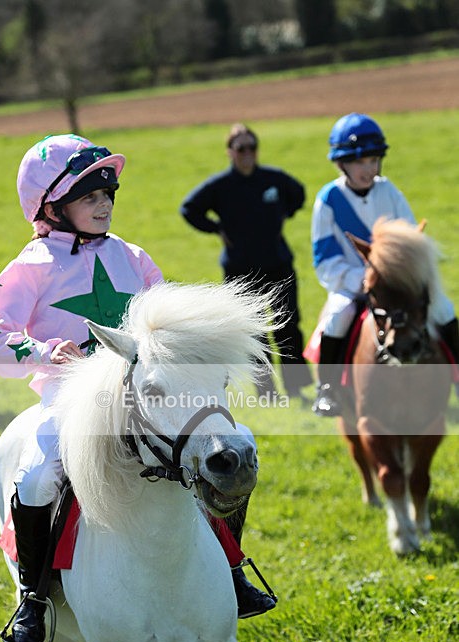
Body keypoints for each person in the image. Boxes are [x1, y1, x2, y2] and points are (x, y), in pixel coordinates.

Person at [0, 135, 274, 642]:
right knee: (39, 473)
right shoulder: (30, 265)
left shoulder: (133, 257)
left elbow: (170, 329)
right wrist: (47, 352)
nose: (104, 204)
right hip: (69, 403)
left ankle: (230, 565)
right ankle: (33, 599)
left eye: (108, 193)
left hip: (144, 399)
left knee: (229, 439)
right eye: (89, 195)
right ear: (51, 205)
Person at [311, 112, 459, 416]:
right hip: (350, 283)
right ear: (342, 163)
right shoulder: (328, 199)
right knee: (339, 314)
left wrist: (396, 272)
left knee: (444, 309)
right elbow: (325, 261)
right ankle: (327, 389)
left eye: (374, 160)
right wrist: (363, 277)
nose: (369, 168)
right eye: (360, 162)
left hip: (394, 282)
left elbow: (409, 240)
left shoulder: (388, 191)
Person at [180, 122, 312, 400]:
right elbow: (189, 209)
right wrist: (216, 228)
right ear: (230, 151)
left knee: (289, 326)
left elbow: (298, 193)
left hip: (278, 265)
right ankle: (266, 393)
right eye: (240, 148)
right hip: (241, 270)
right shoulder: (220, 187)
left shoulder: (273, 180)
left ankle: (298, 388)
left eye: (252, 146)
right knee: (256, 336)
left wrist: (282, 214)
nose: (247, 153)